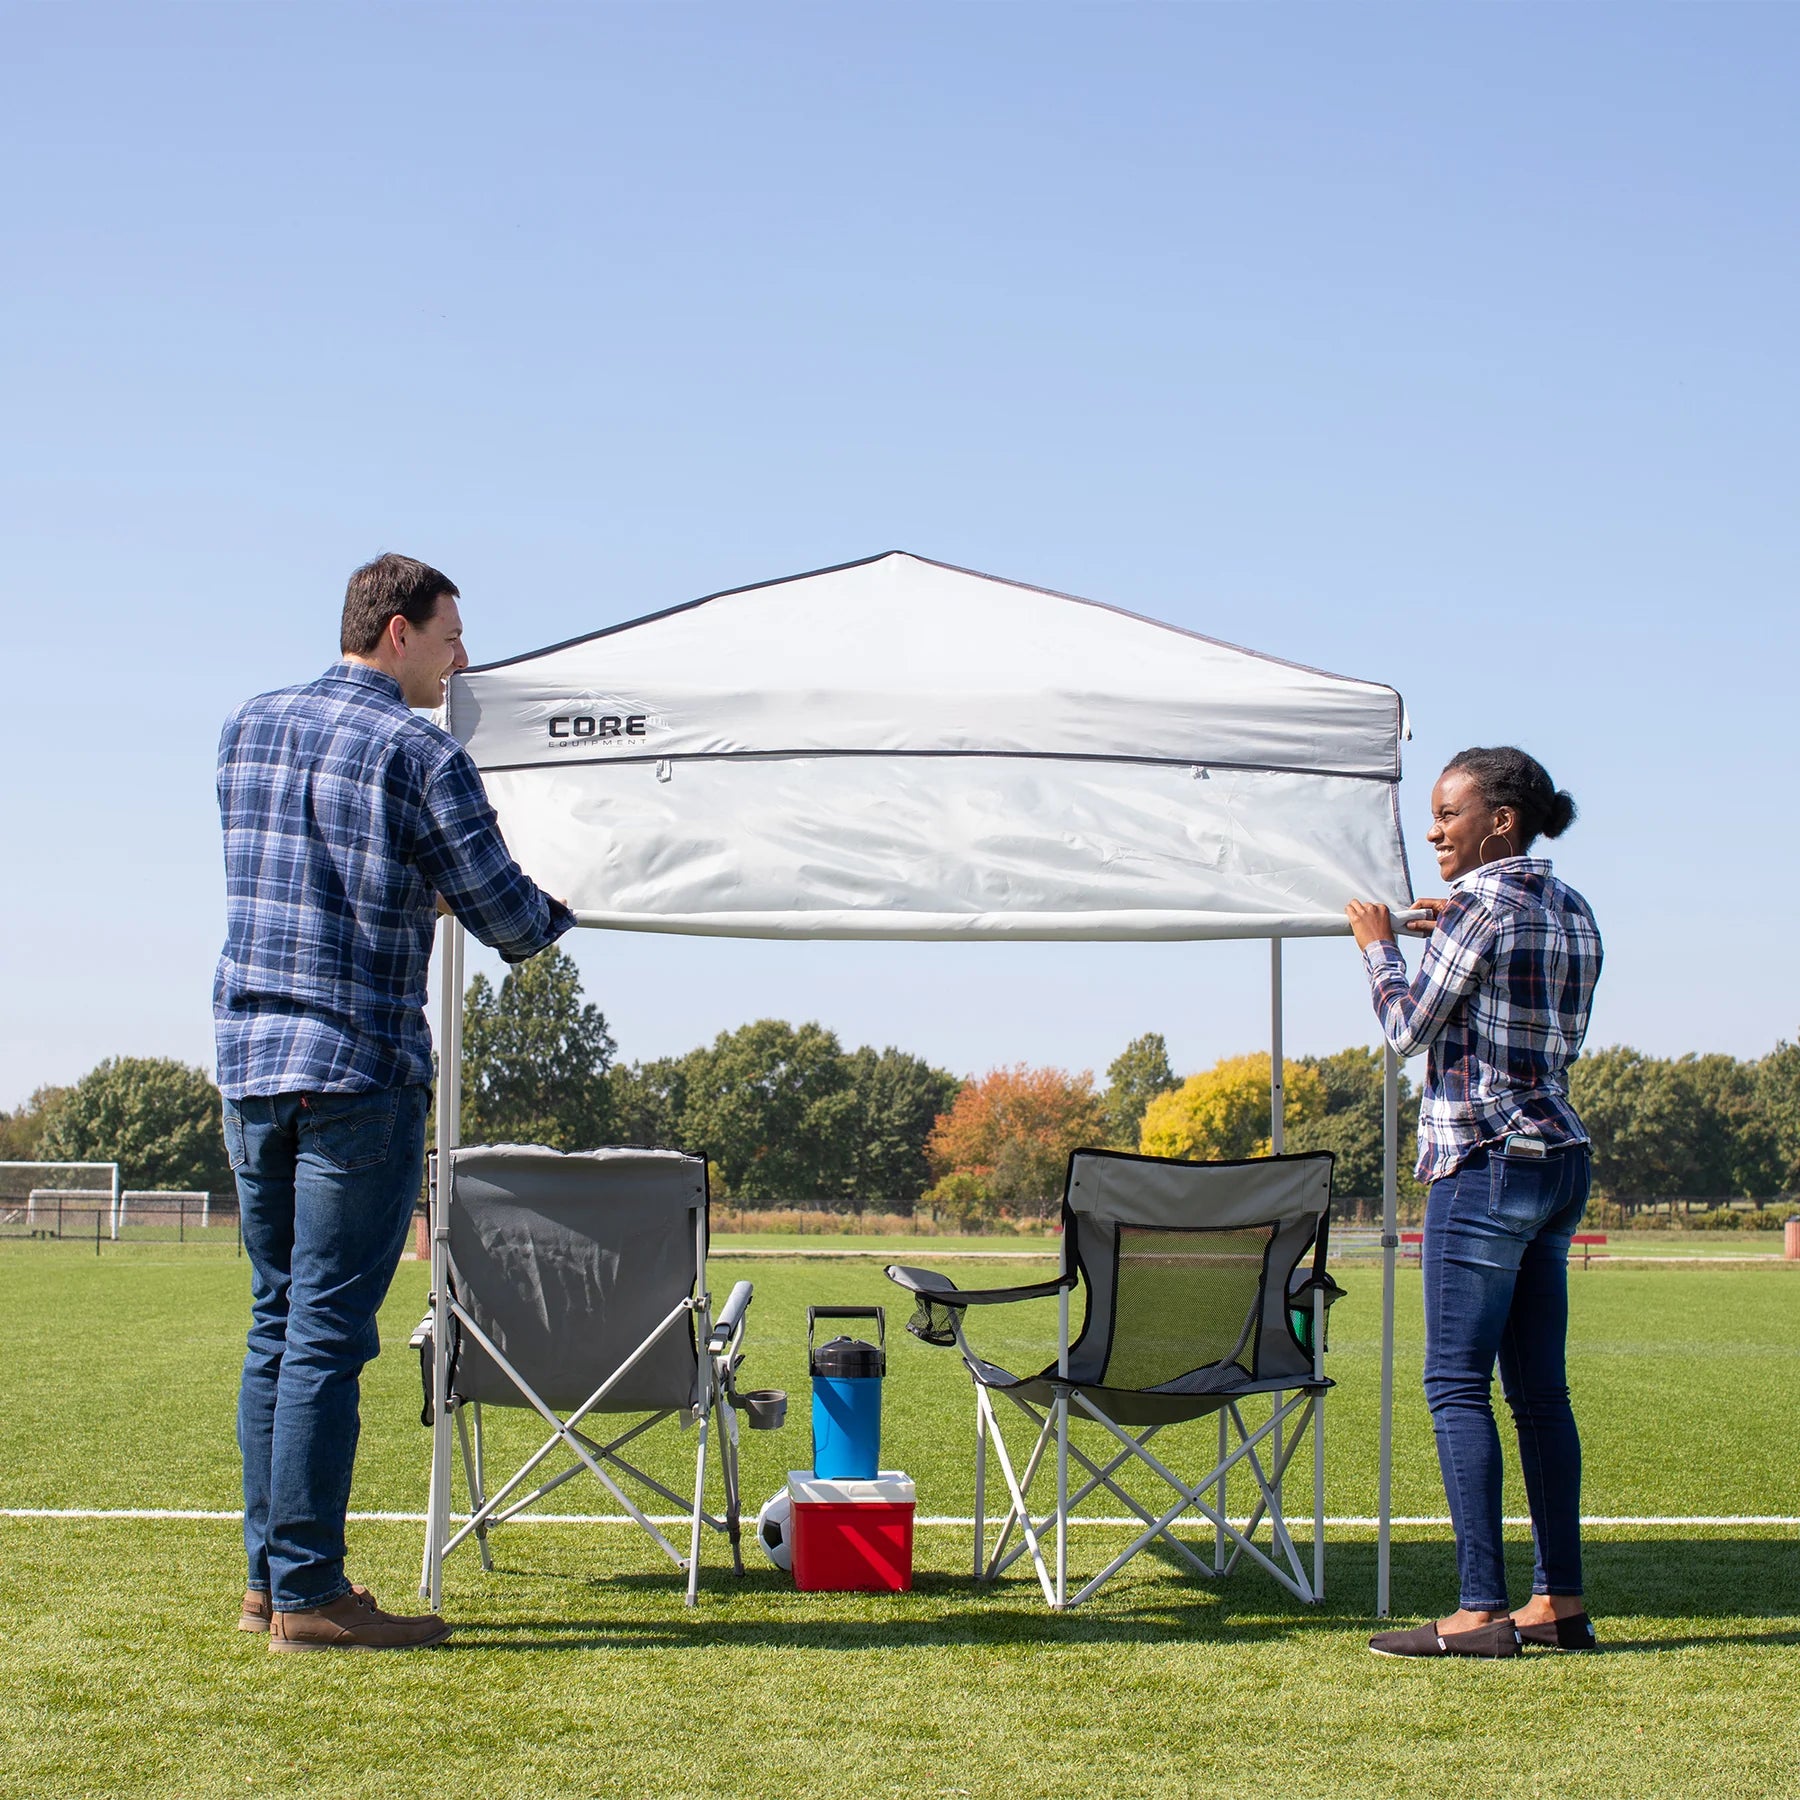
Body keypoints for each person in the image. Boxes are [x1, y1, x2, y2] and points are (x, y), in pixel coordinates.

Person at [215, 553, 575, 1652]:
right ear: (398, 634)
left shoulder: (246, 726)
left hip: (249, 1061)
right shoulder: (418, 750)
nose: (460, 657)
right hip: (357, 1071)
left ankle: (268, 1584)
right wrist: (577, 902)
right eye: (451, 635)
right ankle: (314, 1595)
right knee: (326, 1330)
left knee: (278, 1324)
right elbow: (507, 918)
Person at [1346, 746, 1602, 1660]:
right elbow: (1519, 1006)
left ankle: (1479, 1611)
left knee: (1457, 1385)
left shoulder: (1481, 909)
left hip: (1482, 1160)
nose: (1433, 829)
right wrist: (1436, 932)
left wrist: (1380, 948)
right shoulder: (1570, 906)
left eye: (1449, 812)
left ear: (1500, 819)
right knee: (1541, 1393)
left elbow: (1407, 1028)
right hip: (1557, 1158)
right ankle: (1558, 1604)